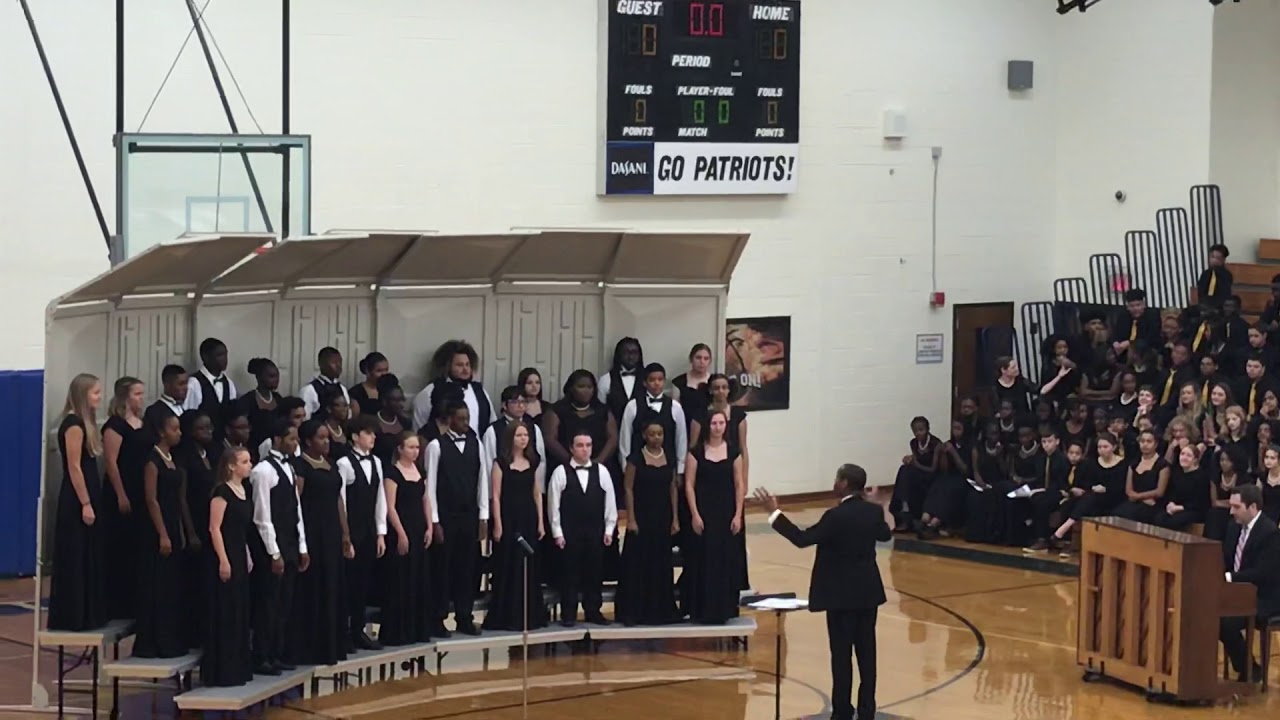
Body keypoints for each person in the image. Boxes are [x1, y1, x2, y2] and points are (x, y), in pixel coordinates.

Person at [753, 465, 894, 720]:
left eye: (837, 479)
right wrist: (879, 505)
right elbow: (885, 534)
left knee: (841, 658)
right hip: (867, 595)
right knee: (867, 655)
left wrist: (774, 512)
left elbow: (801, 539)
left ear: (844, 483)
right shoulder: (871, 512)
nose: (834, 483)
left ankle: (842, 711)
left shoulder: (835, 516)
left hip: (840, 598)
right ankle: (867, 711)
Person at [48, 374, 108, 631]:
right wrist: (85, 503)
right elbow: (74, 467)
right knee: (76, 555)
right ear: (83, 395)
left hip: (88, 494)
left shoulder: (86, 423)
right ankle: (73, 616)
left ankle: (89, 613)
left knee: (88, 554)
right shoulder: (73, 424)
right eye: (95, 392)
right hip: (76, 499)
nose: (100, 397)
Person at [249, 418, 309, 675]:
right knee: (268, 604)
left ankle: (277, 652)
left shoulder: (289, 468)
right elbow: (262, 516)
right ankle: (261, 655)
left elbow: (296, 509)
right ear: (277, 439)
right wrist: (274, 552)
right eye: (292, 439)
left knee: (285, 605)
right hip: (272, 548)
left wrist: (302, 546)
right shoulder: (262, 471)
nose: (296, 444)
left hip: (291, 543)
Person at [425, 399, 488, 637]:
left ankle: (465, 616)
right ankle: (438, 618)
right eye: (461, 419)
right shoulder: (436, 446)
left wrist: (483, 516)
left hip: (469, 515)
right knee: (442, 568)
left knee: (467, 568)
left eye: (468, 418)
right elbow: (430, 485)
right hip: (446, 516)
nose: (465, 423)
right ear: (449, 419)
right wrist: (434, 520)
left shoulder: (476, 444)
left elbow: (482, 480)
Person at [289, 420, 349, 665]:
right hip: (312, 533)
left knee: (332, 585)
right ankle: (307, 647)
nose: (327, 441)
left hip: (332, 532)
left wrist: (345, 533)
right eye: (321, 437)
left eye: (328, 437)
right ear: (308, 441)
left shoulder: (331, 464)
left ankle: (331, 645)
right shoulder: (300, 466)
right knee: (311, 588)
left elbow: (338, 500)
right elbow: (296, 503)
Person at [547, 431, 618, 627]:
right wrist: (557, 532)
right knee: (569, 573)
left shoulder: (601, 471)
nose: (585, 449)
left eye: (588, 445)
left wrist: (609, 529)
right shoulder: (560, 472)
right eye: (580, 445)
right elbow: (554, 506)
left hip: (595, 530)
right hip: (570, 532)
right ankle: (568, 613)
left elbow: (610, 502)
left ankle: (593, 611)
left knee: (594, 573)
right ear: (571, 448)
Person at [484, 422, 548, 632]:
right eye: (519, 435)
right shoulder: (500, 463)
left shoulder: (533, 461)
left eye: (526, 435)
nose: (524, 438)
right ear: (511, 437)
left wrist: (540, 521)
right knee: (508, 564)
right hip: (508, 518)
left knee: (528, 564)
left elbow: (536, 492)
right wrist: (498, 524)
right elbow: (496, 496)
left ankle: (530, 615)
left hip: (528, 516)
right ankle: (506, 615)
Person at [683, 409, 745, 624]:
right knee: (703, 560)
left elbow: (739, 484)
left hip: (726, 513)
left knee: (724, 559)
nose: (717, 427)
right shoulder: (695, 452)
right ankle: (701, 609)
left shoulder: (734, 452)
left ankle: (724, 608)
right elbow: (689, 485)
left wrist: (738, 515)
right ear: (707, 426)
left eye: (721, 423)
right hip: (704, 512)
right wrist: (695, 515)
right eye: (713, 423)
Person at [617, 420, 680, 626]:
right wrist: (631, 519)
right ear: (644, 435)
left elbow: (672, 488)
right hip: (641, 518)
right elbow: (628, 488)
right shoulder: (635, 459)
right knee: (638, 564)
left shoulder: (669, 457)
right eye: (652, 434)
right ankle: (635, 612)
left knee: (661, 564)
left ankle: (661, 612)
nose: (656, 437)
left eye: (659, 433)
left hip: (662, 518)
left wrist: (675, 518)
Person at [334, 415, 389, 649]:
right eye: (368, 433)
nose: (373, 437)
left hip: (368, 530)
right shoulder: (344, 463)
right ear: (355, 437)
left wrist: (380, 532)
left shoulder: (376, 461)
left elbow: (380, 499)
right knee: (348, 583)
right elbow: (341, 502)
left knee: (364, 583)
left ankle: (358, 630)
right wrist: (346, 537)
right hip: (352, 531)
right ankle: (344, 632)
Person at [202, 447, 255, 687]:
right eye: (244, 461)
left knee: (239, 609)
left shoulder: (244, 490)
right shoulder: (221, 492)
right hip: (224, 555)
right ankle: (223, 670)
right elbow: (215, 529)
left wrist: (246, 554)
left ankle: (239, 666)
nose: (249, 465)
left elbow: (242, 530)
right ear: (231, 466)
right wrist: (224, 559)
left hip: (239, 554)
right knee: (226, 610)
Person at [1219, 484, 1280, 681]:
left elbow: (1263, 573)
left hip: (1264, 596)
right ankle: (1248, 667)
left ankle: (1249, 670)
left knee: (1225, 621)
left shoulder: (1270, 533)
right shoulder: (1233, 527)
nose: (1231, 511)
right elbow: (1226, 559)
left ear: (1252, 507)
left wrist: (1229, 577)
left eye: (1236, 507)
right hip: (1238, 592)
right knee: (1207, 613)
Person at [100, 376, 147, 621]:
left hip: (141, 490)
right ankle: (116, 604)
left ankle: (134, 602)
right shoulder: (115, 426)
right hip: (122, 489)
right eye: (137, 393)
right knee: (120, 547)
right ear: (125, 397)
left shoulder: (142, 422)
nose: (141, 398)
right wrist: (121, 494)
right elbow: (111, 462)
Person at [381, 432, 434, 645]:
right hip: (401, 529)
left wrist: (430, 526)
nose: (415, 451)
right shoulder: (392, 473)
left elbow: (426, 500)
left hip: (419, 527)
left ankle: (417, 629)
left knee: (418, 577)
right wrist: (401, 533)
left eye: (417, 448)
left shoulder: (420, 470)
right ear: (400, 449)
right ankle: (397, 631)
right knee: (401, 579)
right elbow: (390, 507)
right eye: (411, 447)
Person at [413, 340, 495, 436]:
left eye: (467, 364)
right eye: (459, 365)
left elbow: (492, 424)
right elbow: (419, 429)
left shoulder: (480, 392)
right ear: (447, 366)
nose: (465, 370)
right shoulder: (430, 393)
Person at [185, 337, 238, 435]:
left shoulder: (228, 383)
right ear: (205, 357)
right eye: (219, 355)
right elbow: (189, 416)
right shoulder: (194, 383)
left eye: (225, 354)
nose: (224, 359)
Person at [300, 347, 352, 420]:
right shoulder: (309, 390)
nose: (338, 366)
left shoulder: (342, 389)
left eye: (340, 362)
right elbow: (304, 419)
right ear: (321, 364)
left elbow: (348, 415)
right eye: (334, 362)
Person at [349, 351, 389, 417]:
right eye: (379, 371)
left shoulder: (390, 389)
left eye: (386, 370)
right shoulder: (356, 392)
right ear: (368, 371)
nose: (384, 374)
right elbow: (353, 420)